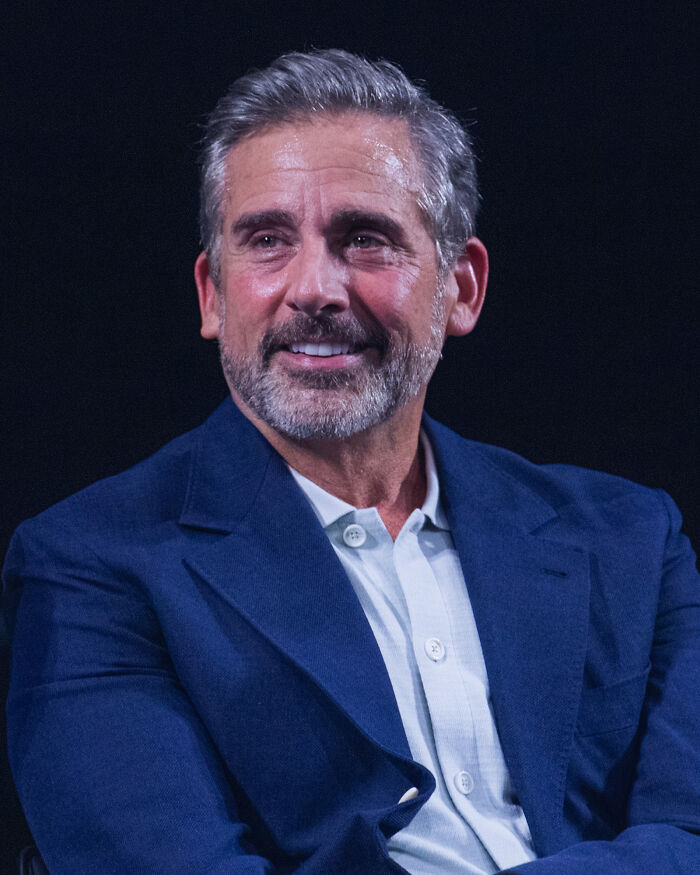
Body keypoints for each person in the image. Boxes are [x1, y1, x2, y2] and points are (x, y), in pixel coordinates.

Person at [3, 49, 699, 875]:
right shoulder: (89, 564)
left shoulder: (633, 537)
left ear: (461, 288)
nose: (314, 289)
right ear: (212, 295)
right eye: (266, 241)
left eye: (364, 238)